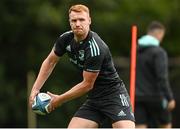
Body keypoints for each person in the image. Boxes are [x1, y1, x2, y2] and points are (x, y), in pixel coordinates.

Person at [29, 4, 135, 128]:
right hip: (94, 99)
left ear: (89, 21)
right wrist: (35, 88)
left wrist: (59, 100)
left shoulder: (95, 48)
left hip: (114, 96)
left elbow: (86, 85)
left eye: (81, 20)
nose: (78, 24)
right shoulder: (65, 39)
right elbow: (50, 61)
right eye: (74, 20)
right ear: (69, 22)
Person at [135, 21, 176, 128]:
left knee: (139, 126)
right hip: (156, 97)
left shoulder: (135, 51)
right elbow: (162, 77)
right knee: (165, 125)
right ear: (159, 34)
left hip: (137, 96)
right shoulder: (159, 52)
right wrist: (169, 98)